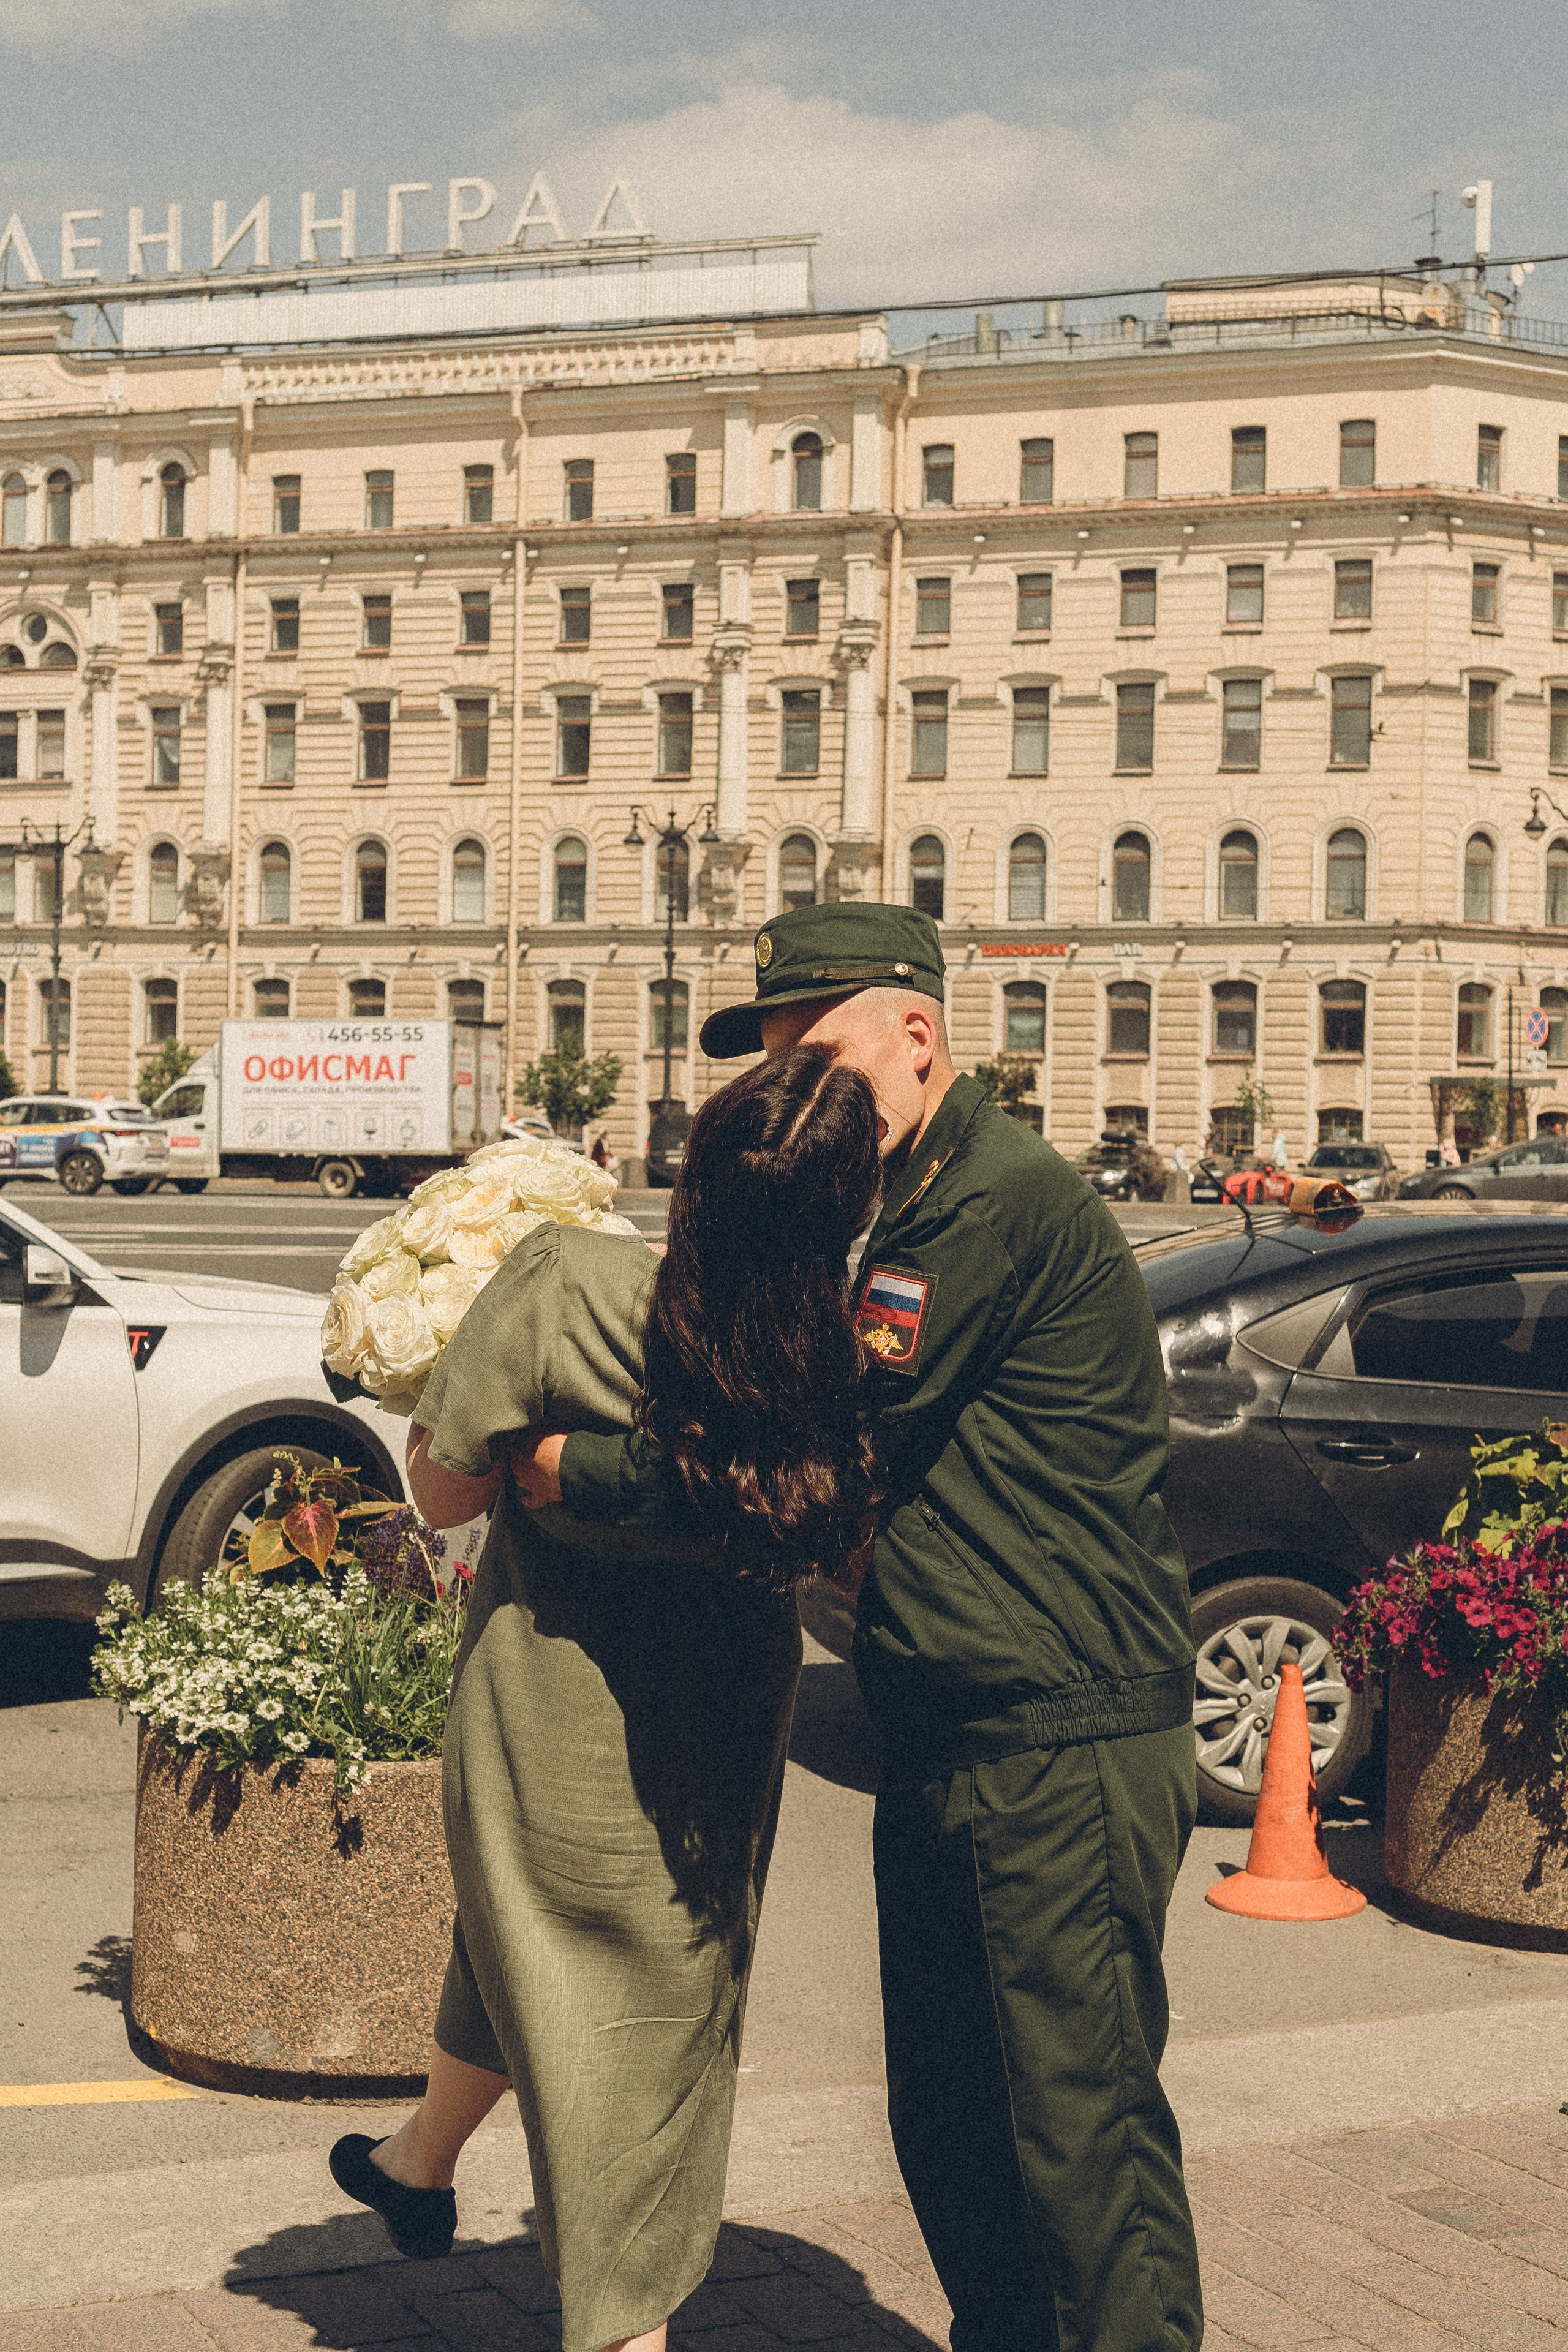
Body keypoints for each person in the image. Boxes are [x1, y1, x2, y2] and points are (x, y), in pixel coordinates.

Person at [524, 905, 1203, 2352]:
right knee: (955, 2124)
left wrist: (564, 1473)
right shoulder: (892, 1206)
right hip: (955, 1734)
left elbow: (817, 1443)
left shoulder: (984, 1203)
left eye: (817, 1054)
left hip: (1059, 1744)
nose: (802, 1094)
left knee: (1078, 2143)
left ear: (916, 1033)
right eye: (778, 1066)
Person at [330, 1044, 882, 2352]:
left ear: (686, 1188)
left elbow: (441, 1494)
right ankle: (418, 2166)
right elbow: (834, 1537)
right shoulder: (829, 1357)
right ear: (844, 1219)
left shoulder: (564, 1281)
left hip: (542, 1707)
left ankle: (620, 2330)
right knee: (592, 1976)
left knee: (605, 2025)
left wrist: (523, 1436)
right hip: (719, 1726)